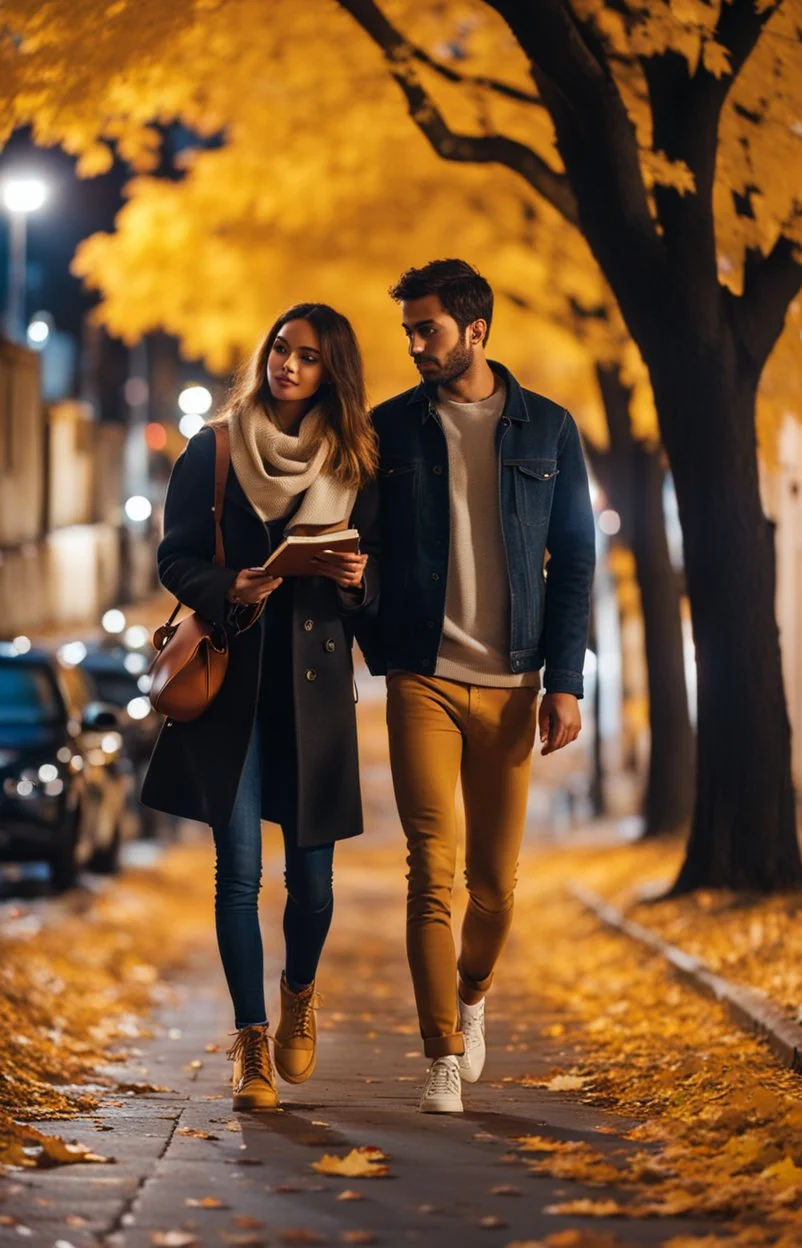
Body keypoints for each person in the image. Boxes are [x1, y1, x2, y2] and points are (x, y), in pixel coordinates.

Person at [367, 259, 595, 1113]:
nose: (416, 345)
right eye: (409, 332)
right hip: (421, 678)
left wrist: (564, 682)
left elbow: (575, 560)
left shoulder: (551, 429)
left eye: (427, 329)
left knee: (494, 887)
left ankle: (471, 996)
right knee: (432, 869)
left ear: (476, 330)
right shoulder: (391, 428)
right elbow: (362, 549)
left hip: (512, 682)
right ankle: (440, 1055)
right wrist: (377, 635)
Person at [142, 303, 378, 1111]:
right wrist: (229, 585)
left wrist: (356, 585)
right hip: (230, 683)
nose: (288, 365)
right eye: (281, 349)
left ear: (330, 373)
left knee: (312, 885)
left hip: (311, 693)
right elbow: (173, 556)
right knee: (237, 874)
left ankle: (299, 993)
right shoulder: (211, 448)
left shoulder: (352, 460)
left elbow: (371, 585)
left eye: (308, 357)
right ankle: (250, 1047)